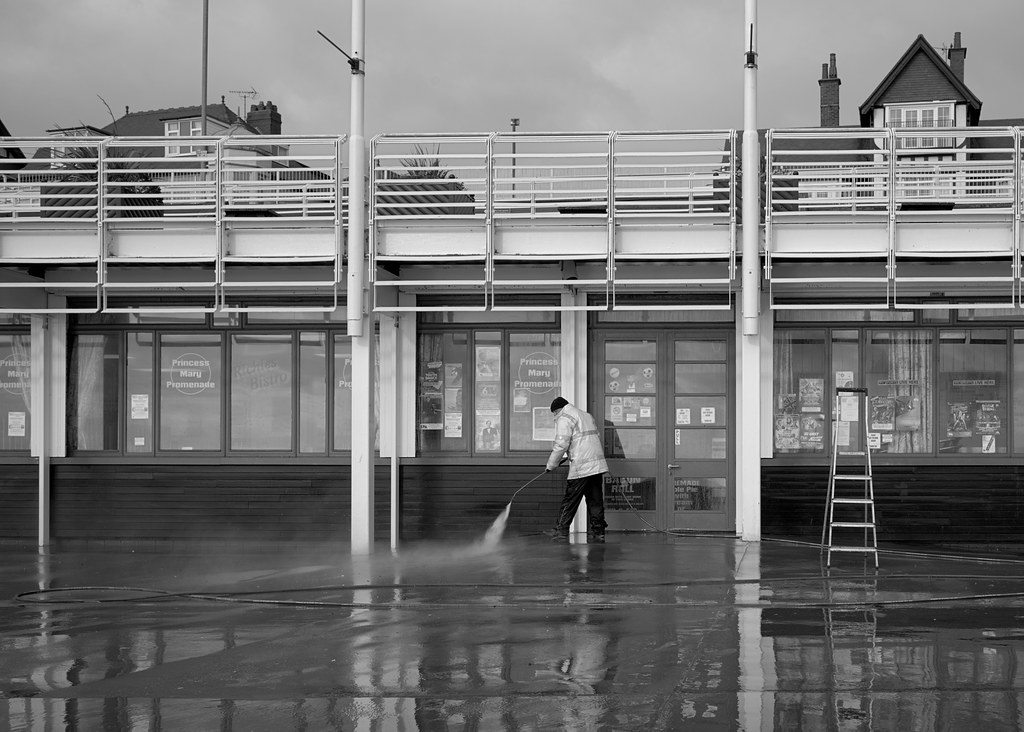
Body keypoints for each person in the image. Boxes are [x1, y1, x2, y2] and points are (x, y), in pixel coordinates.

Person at [545, 396, 609, 542]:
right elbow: (589, 438)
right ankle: (599, 531)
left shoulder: (564, 417)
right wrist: (571, 453)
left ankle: (561, 530)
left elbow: (561, 444)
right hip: (596, 465)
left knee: (570, 500)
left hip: (581, 466)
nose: (555, 416)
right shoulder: (585, 415)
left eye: (554, 413)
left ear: (558, 410)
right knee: (595, 500)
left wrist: (551, 465)